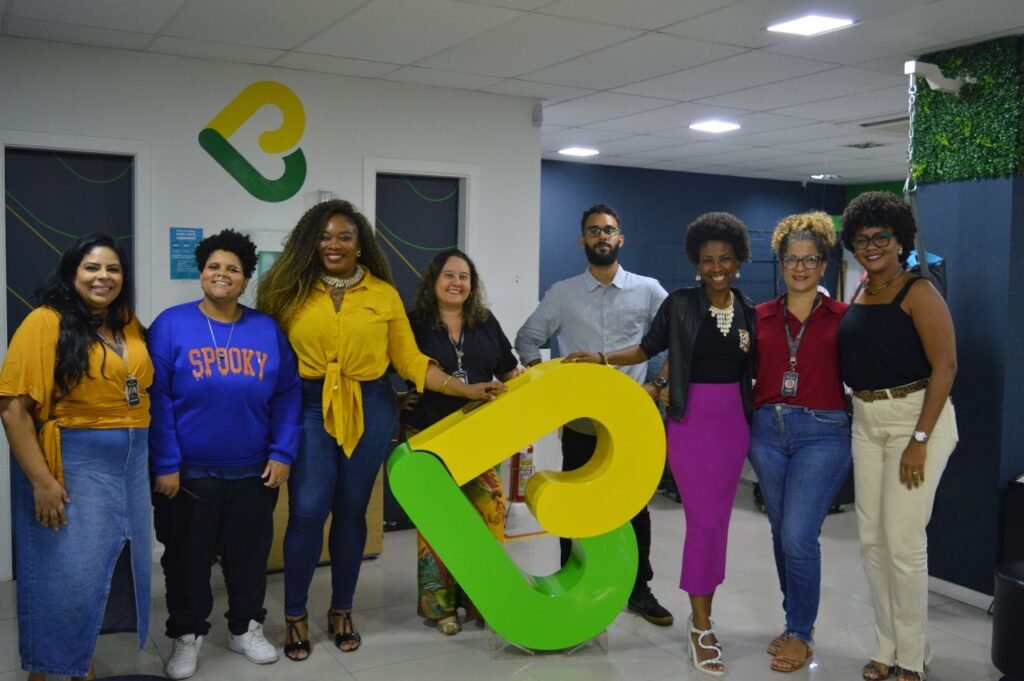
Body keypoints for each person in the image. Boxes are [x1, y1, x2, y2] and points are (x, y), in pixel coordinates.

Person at [256, 199, 506, 659]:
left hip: (370, 405)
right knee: (308, 511)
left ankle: (341, 610)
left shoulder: (383, 294)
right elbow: (266, 353)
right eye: (324, 237)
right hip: (308, 403)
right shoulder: (288, 289)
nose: (333, 244)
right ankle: (295, 615)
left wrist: (464, 389)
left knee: (352, 511)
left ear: (360, 244)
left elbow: (409, 360)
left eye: (344, 236)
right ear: (311, 242)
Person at [565, 211, 755, 677]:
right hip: (690, 425)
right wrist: (603, 359)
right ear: (696, 263)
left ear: (738, 262)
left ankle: (702, 614)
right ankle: (702, 626)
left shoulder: (750, 310)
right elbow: (647, 348)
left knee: (718, 525)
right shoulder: (681, 303)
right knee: (703, 523)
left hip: (734, 428)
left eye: (724, 259)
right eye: (707, 260)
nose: (716, 267)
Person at [148, 230, 302, 679]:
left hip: (253, 471)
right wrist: (165, 464)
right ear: (201, 273)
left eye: (233, 269)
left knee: (249, 557)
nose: (222, 274)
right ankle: (187, 634)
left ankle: (245, 627)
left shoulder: (266, 329)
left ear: (245, 279)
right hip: (188, 474)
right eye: (214, 266)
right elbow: (157, 400)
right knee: (186, 560)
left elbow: (289, 394)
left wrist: (283, 452)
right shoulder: (170, 325)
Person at [0, 234, 152, 681]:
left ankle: (77, 662)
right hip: (73, 464)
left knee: (100, 570)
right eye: (92, 267)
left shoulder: (126, 323)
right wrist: (42, 482)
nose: (104, 277)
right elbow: (12, 409)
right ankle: (45, 670)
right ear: (71, 274)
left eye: (113, 269)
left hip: (131, 462)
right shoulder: (45, 322)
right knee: (62, 569)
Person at [514, 203, 673, 628]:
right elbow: (527, 337)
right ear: (582, 239)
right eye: (593, 230)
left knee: (635, 508)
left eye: (609, 230)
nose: (602, 236)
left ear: (620, 238)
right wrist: (548, 385)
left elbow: (677, 338)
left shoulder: (648, 290)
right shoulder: (562, 294)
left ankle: (639, 589)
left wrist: (657, 385)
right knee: (573, 504)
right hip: (583, 423)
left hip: (632, 422)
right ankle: (574, 588)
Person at [837, 192, 958, 681]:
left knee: (903, 543)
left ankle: (912, 656)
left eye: (881, 236)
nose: (871, 246)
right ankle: (886, 647)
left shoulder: (919, 292)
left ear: (900, 239)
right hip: (867, 423)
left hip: (917, 420)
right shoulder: (862, 291)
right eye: (862, 239)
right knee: (871, 542)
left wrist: (920, 439)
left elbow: (946, 367)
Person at [746, 212, 851, 673]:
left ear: (824, 265)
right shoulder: (760, 316)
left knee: (797, 534)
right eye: (792, 259)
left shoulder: (844, 318)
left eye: (810, 260)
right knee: (779, 531)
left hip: (823, 432)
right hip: (767, 431)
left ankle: (802, 632)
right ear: (781, 263)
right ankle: (796, 622)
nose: (801, 267)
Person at [400, 249, 521, 635]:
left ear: (472, 284)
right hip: (430, 434)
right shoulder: (413, 323)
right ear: (433, 281)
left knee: (490, 511)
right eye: (449, 275)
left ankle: (483, 597)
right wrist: (396, 397)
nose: (456, 283)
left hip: (479, 437)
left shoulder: (484, 321)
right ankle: (440, 607)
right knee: (438, 521)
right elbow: (388, 366)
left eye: (464, 276)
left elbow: (509, 369)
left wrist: (533, 386)